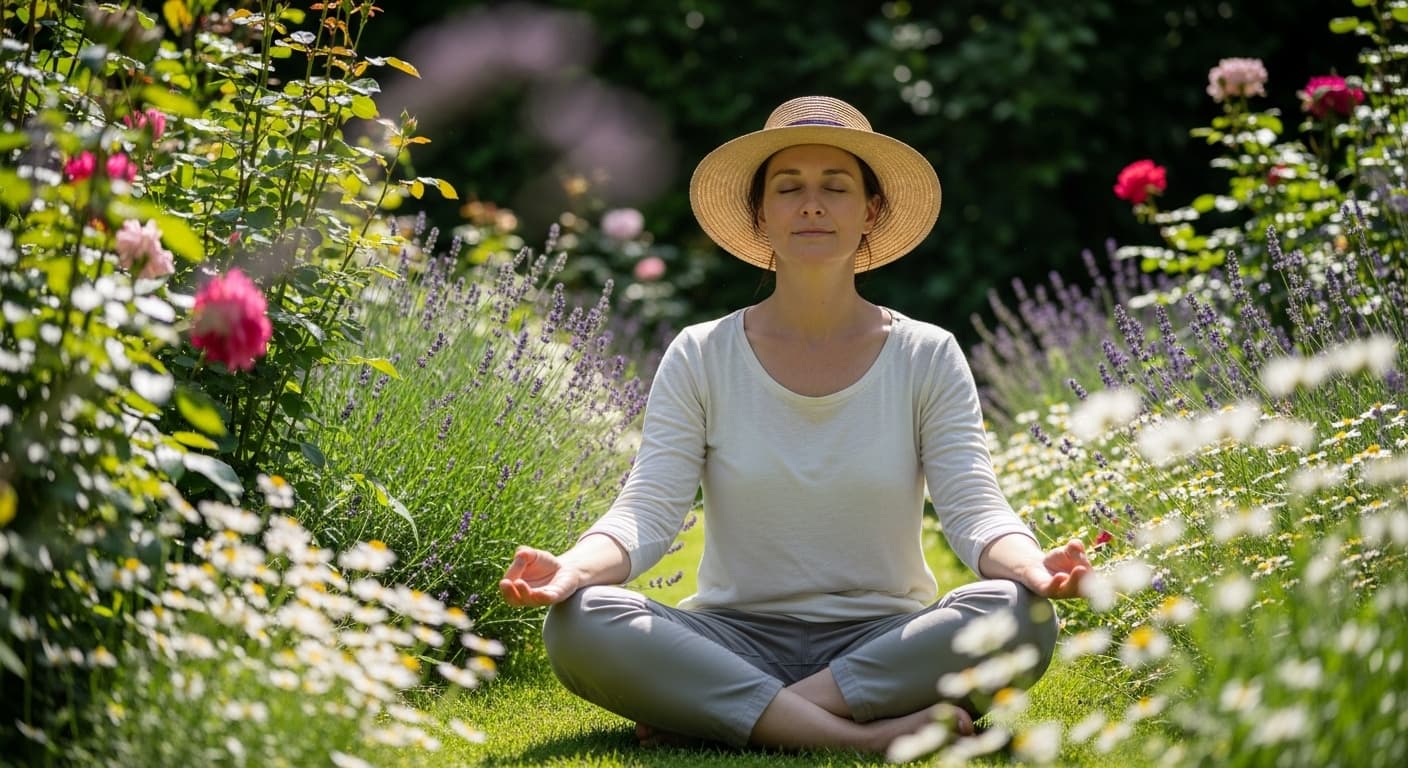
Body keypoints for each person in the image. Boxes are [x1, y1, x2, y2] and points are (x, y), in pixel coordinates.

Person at [499, 95, 1092, 754]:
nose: (812, 204)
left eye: (835, 187)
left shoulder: (926, 354)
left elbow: (974, 507)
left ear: (870, 211)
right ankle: (859, 739)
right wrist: (573, 570)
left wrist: (1034, 569)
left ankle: (730, 716)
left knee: (1019, 613)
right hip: (729, 639)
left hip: (883, 641)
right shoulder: (702, 353)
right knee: (580, 621)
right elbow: (647, 508)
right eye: (789, 188)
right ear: (762, 215)